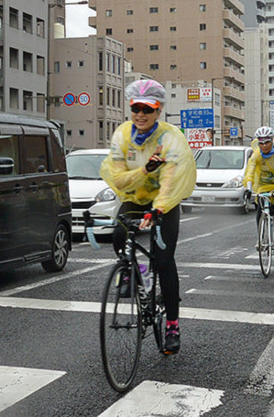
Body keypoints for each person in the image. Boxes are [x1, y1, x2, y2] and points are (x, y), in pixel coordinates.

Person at [100, 79, 196, 355]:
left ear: (158, 111)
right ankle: (136, 271)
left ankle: (173, 325)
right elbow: (118, 181)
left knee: (164, 260)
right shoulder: (122, 135)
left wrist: (159, 208)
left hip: (164, 203)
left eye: (147, 109)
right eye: (135, 108)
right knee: (119, 235)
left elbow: (170, 180)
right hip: (134, 197)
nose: (140, 114)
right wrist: (144, 171)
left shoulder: (169, 138)